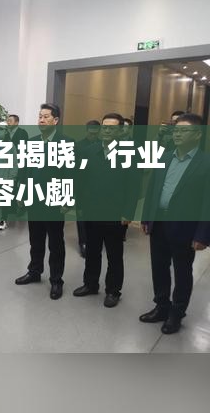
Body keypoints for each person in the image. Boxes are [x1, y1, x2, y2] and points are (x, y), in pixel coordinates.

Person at [140, 113, 210, 334]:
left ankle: (177, 313)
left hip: (185, 228)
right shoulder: (164, 157)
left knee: (182, 272)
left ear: (197, 135)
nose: (178, 134)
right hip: (159, 223)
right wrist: (146, 217)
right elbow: (152, 190)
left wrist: (203, 235)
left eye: (184, 131)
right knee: (159, 267)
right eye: (176, 130)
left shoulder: (205, 163)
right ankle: (161, 306)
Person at [73, 113, 139, 308]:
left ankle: (113, 291)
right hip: (92, 211)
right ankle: (90, 284)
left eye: (112, 127)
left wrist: (128, 212)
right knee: (92, 251)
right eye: (105, 126)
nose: (107, 130)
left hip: (115, 214)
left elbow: (133, 186)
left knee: (114, 255)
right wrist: (80, 206)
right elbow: (81, 180)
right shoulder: (90, 151)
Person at [14, 103, 69, 300]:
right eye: (40, 116)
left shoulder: (65, 143)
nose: (41, 120)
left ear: (56, 120)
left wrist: (67, 200)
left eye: (46, 116)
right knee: (35, 239)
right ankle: (35, 271)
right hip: (34, 199)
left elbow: (70, 174)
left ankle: (56, 280)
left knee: (55, 243)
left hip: (54, 200)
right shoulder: (32, 142)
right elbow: (24, 171)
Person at [74, 120, 101, 257]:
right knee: (81, 216)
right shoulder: (79, 146)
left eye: (96, 132)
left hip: (99, 188)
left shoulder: (103, 145)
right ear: (87, 130)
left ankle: (94, 241)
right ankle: (83, 242)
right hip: (82, 186)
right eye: (91, 131)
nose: (93, 134)